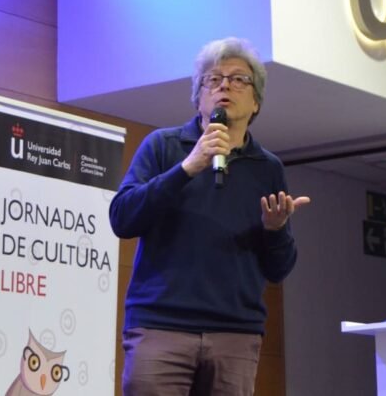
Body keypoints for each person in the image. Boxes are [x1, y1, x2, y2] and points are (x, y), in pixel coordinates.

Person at [109, 37, 310, 395]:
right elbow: (122, 218)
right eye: (212, 79)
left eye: (238, 79)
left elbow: (279, 269)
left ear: (256, 102)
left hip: (235, 333)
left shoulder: (268, 168)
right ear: (199, 98)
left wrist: (275, 230)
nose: (224, 86)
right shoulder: (163, 146)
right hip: (161, 327)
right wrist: (188, 168)